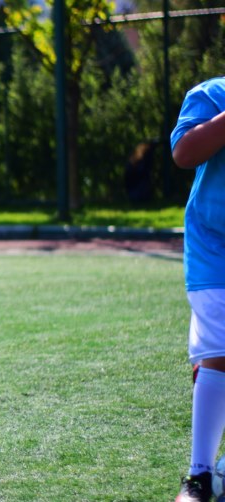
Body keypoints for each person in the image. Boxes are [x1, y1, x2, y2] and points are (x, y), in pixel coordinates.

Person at [171, 76, 225, 502]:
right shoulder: (209, 94)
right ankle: (200, 476)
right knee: (218, 355)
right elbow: (184, 153)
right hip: (215, 249)